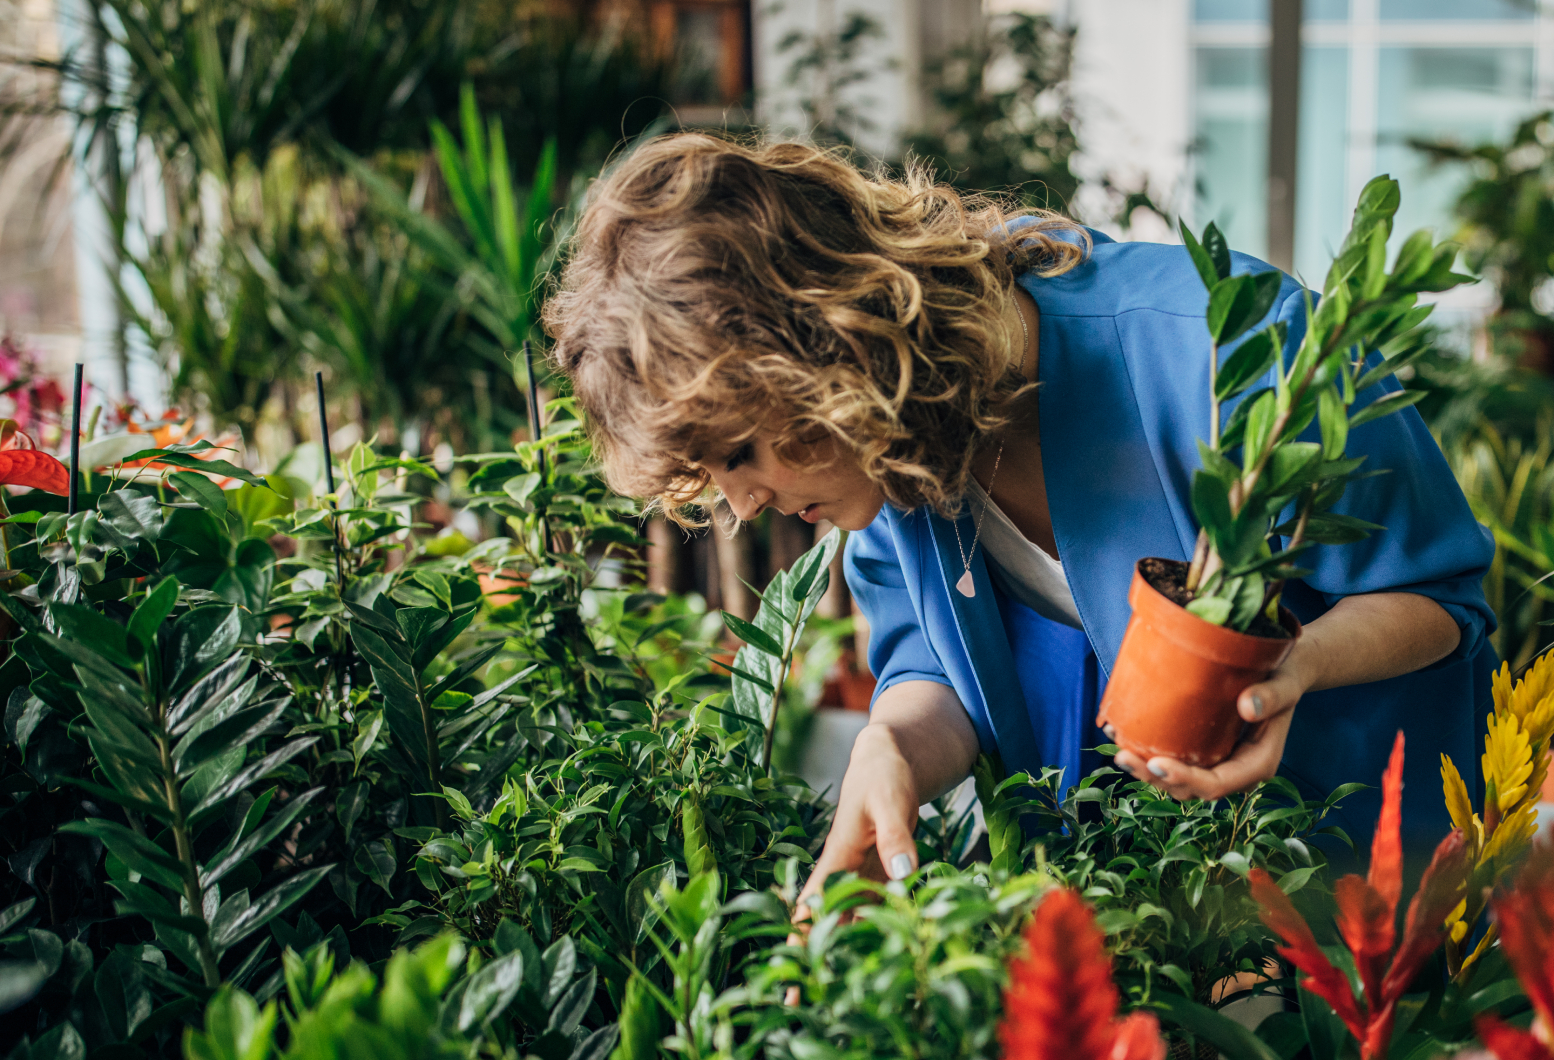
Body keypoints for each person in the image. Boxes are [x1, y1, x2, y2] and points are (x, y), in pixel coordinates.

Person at [546, 134, 1499, 914]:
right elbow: (935, 671)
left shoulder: (1226, 347)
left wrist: (1301, 666)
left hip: (1350, 922)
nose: (743, 504)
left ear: (828, 351)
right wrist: (890, 751)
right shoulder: (886, 453)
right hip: (1135, 942)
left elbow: (1440, 596)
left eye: (742, 452)